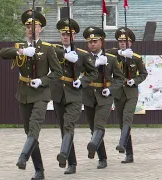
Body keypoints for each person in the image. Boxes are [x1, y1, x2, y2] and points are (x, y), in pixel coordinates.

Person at [0, 9, 62, 180]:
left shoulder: (48, 49)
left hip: (41, 93)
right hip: (24, 93)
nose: (30, 29)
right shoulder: (21, 47)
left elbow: (57, 72)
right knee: (29, 132)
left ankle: (23, 157)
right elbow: (2, 53)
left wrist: (42, 80)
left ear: (40, 29)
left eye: (34, 26)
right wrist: (21, 52)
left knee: (35, 127)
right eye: (27, 26)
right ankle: (39, 170)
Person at [51, 18, 98, 174]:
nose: (66, 37)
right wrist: (65, 55)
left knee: (68, 125)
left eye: (69, 34)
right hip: (58, 94)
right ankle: (71, 162)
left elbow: (93, 72)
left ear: (74, 37)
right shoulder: (54, 51)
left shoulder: (82, 55)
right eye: (63, 34)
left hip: (75, 94)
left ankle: (64, 155)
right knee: (63, 128)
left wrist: (82, 81)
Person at [82, 26, 124, 169]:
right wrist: (93, 65)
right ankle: (101, 156)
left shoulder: (111, 59)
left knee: (99, 124)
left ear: (101, 41)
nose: (92, 44)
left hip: (104, 96)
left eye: (95, 41)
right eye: (90, 42)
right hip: (88, 96)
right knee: (93, 128)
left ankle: (95, 148)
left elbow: (119, 78)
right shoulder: (84, 58)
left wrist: (110, 89)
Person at [108, 27, 148, 163]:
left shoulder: (136, 58)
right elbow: (106, 53)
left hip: (131, 92)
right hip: (119, 92)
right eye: (120, 41)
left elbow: (144, 74)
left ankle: (122, 144)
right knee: (121, 122)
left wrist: (135, 80)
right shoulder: (114, 55)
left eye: (125, 41)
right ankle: (129, 154)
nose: (123, 43)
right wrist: (119, 52)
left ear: (131, 43)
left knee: (127, 118)